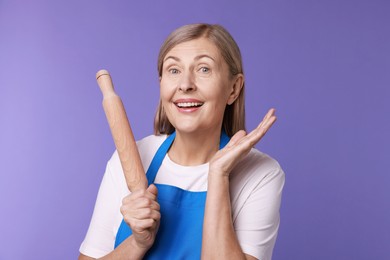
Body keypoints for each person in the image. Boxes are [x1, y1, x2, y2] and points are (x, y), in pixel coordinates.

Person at [79, 23, 285, 260]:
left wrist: (218, 175)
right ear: (161, 83)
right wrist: (137, 243)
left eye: (204, 69)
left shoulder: (260, 173)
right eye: (174, 70)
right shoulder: (131, 158)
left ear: (233, 89)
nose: (185, 84)